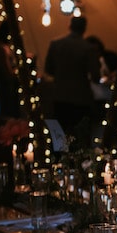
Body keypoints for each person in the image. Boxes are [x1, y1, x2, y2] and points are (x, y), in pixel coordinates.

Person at [44, 16, 101, 148]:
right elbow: (96, 77)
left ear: (69, 26)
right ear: (84, 28)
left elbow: (49, 70)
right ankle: (80, 166)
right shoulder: (88, 48)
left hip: (59, 97)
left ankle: (58, 165)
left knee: (59, 140)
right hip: (81, 99)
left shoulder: (56, 44)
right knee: (81, 140)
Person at [0, 21, 20, 118]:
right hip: (6, 88)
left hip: (6, 87)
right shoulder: (1, 48)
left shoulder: (2, 47)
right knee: (9, 114)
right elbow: (7, 73)